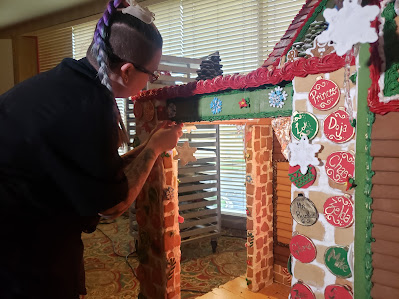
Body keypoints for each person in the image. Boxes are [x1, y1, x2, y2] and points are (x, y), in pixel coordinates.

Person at [0, 0, 182, 298]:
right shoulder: (91, 109)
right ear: (126, 71)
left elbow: (99, 173)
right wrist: (155, 150)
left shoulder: (68, 81)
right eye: (151, 74)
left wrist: (150, 143)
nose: (151, 82)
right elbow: (112, 205)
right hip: (21, 250)